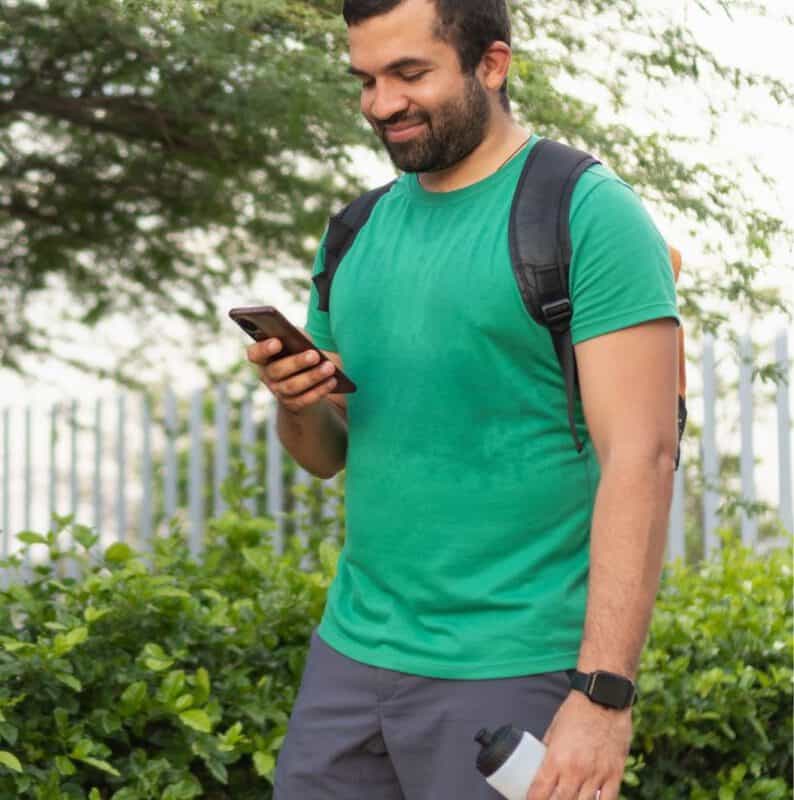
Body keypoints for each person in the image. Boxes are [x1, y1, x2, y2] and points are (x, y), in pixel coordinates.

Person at [246, 0, 680, 798]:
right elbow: (326, 457)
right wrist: (295, 401)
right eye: (366, 80)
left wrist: (603, 696)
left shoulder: (587, 213)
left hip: (515, 670)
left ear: (492, 64)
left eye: (409, 73)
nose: (382, 103)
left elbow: (643, 458)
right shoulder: (353, 232)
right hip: (349, 662)